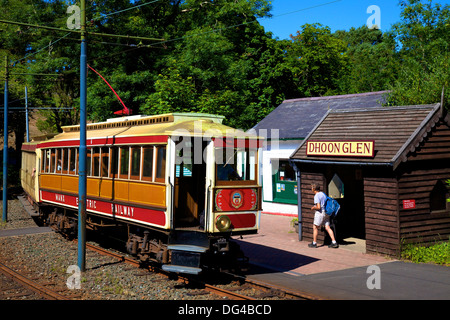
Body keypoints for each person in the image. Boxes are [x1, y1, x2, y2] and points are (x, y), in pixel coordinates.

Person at [308, 184, 339, 248]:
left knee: (315, 227)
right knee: (327, 227)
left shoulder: (316, 196)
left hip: (320, 213)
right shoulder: (323, 194)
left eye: (311, 187)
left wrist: (313, 208)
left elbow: (318, 207)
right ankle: (334, 242)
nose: (311, 189)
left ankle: (314, 243)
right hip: (327, 213)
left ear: (314, 189)